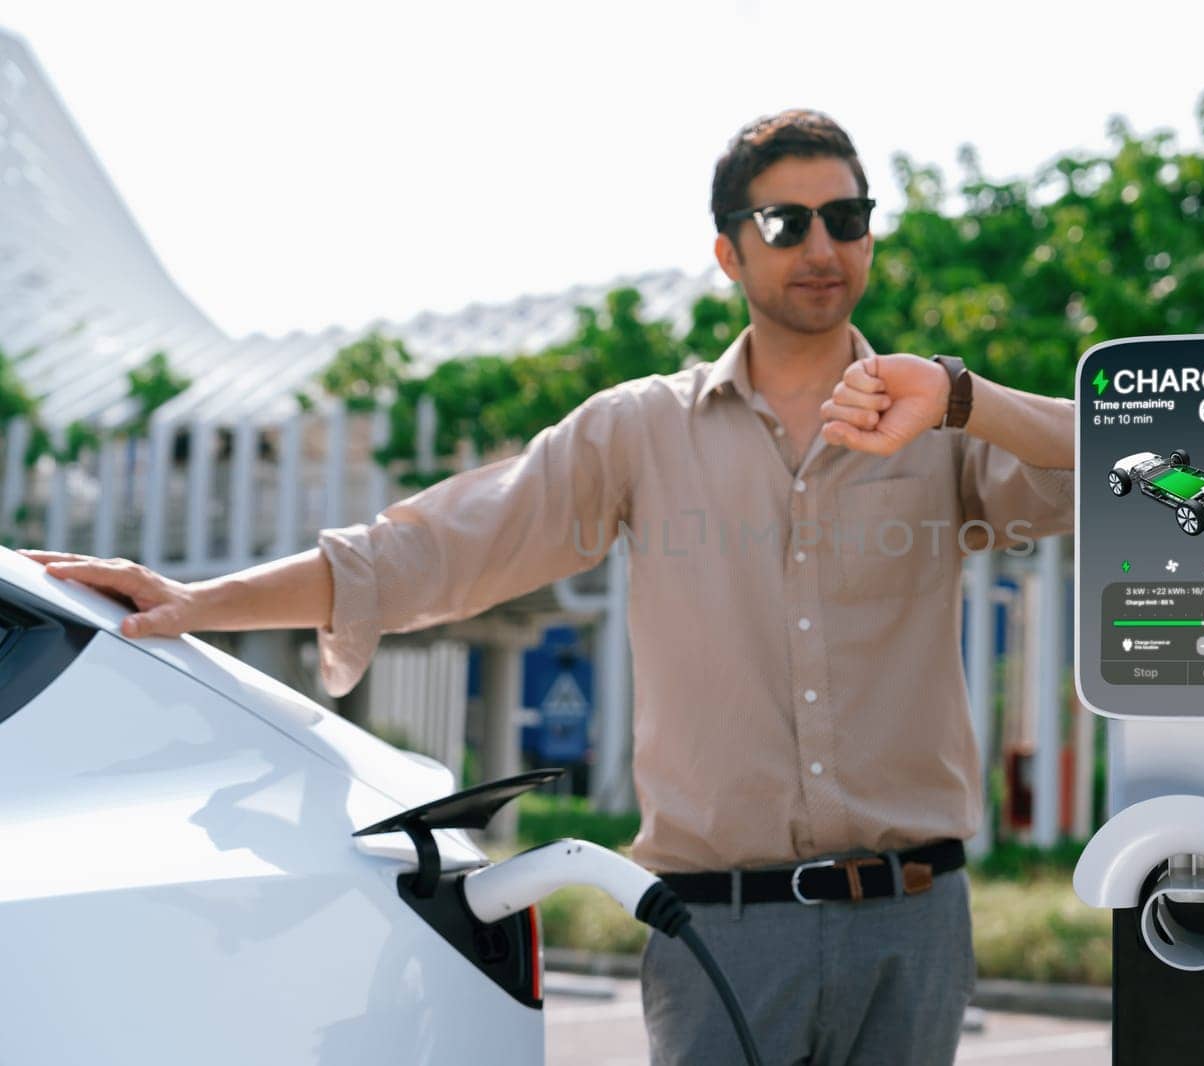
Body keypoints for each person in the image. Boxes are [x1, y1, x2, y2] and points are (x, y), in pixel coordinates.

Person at [23, 108, 1076, 1065]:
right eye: (784, 221)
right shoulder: (640, 431)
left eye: (845, 216)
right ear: (727, 251)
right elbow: (432, 550)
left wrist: (963, 396)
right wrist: (200, 598)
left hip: (912, 922)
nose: (820, 246)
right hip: (720, 932)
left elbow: (1152, 472)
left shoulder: (946, 432)